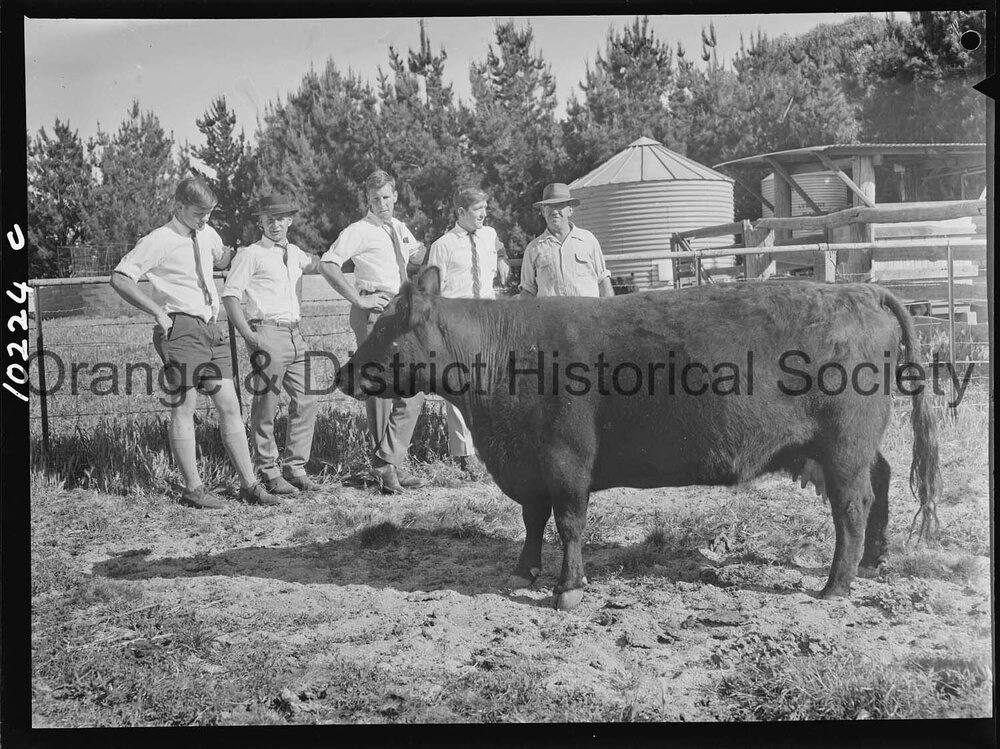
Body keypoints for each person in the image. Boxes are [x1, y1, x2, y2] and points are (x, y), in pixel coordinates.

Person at [109, 177, 281, 509]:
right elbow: (120, 277)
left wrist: (232, 254)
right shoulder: (159, 239)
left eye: (209, 213)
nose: (204, 220)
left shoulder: (207, 233)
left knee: (230, 405)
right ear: (178, 207)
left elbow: (218, 259)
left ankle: (249, 485)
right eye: (198, 213)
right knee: (184, 408)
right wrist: (157, 311)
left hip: (211, 328)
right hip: (181, 328)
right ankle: (193, 489)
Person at [320, 169, 428, 494]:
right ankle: (386, 466)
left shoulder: (398, 227)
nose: (382, 204)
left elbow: (414, 253)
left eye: (386, 197)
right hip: (374, 312)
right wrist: (358, 299)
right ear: (368, 200)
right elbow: (328, 264)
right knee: (379, 389)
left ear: (396, 196)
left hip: (399, 312)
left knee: (414, 386)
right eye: (375, 199)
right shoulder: (359, 230)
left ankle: (389, 460)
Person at [221, 193, 322, 496]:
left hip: (294, 334)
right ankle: (269, 471)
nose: (275, 224)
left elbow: (314, 266)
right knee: (266, 405)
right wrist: (251, 338)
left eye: (280, 218)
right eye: (269, 219)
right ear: (261, 222)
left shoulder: (295, 252)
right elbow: (230, 296)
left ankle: (295, 467)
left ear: (290, 220)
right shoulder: (250, 253)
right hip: (267, 332)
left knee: (308, 398)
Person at [426, 187, 508, 476]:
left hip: (489, 322)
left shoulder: (488, 234)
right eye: (477, 210)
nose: (484, 214)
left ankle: (494, 450)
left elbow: (498, 247)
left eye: (485, 208)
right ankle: (465, 456)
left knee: (492, 385)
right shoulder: (443, 245)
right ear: (460, 212)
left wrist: (502, 259)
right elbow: (433, 290)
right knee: (460, 388)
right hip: (458, 324)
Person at [519, 182, 614, 299]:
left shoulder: (588, 240)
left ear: (570, 210)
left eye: (559, 206)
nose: (554, 211)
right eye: (549, 206)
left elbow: (603, 280)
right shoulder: (534, 248)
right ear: (543, 212)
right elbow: (528, 289)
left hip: (586, 314)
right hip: (551, 315)